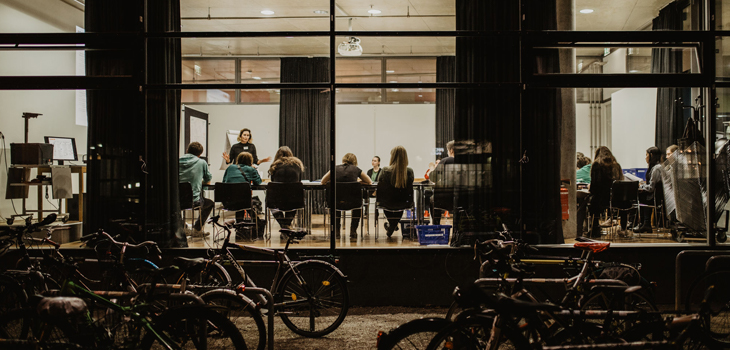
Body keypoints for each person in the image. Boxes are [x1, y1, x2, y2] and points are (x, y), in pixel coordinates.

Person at [321, 153, 372, 239]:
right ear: (354, 161)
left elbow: (323, 181)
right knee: (357, 206)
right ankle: (353, 230)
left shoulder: (335, 168)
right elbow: (369, 181)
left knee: (336, 202)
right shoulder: (356, 169)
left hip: (336, 202)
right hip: (353, 203)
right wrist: (357, 182)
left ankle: (336, 231)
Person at [378, 146, 415, 237]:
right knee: (399, 204)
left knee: (389, 204)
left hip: (386, 202)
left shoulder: (385, 170)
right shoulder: (409, 171)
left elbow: (379, 182)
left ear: (392, 157)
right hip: (404, 202)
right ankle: (392, 225)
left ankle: (392, 225)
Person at [589, 146, 625, 238]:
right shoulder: (617, 165)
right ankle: (624, 229)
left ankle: (595, 229)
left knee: (592, 204)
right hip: (616, 200)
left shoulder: (597, 164)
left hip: (601, 199)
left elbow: (594, 186)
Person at [179, 142, 213, 234]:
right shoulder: (201, 162)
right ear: (200, 154)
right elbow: (208, 180)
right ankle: (197, 229)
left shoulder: (176, 161)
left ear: (187, 151)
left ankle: (181, 226)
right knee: (209, 203)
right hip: (194, 201)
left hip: (176, 199)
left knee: (177, 207)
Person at [268, 146, 305, 228]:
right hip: (293, 198)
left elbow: (273, 181)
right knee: (293, 205)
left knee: (271, 205)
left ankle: (283, 225)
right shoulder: (297, 164)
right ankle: (287, 224)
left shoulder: (274, 165)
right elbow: (298, 180)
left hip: (277, 198)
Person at [223, 152, 262, 225]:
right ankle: (257, 223)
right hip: (243, 201)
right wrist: (254, 170)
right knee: (243, 202)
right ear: (250, 161)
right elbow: (258, 182)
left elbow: (224, 182)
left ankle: (240, 225)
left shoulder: (230, 168)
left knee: (240, 202)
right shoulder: (251, 169)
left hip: (227, 201)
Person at [634, 147, 663, 233]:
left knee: (640, 196)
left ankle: (645, 223)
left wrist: (641, 185)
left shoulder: (657, 168)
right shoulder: (654, 168)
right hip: (652, 196)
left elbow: (651, 188)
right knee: (640, 194)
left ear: (651, 156)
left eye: (646, 155)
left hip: (655, 197)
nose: (645, 157)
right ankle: (643, 223)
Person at [427, 140, 456, 225]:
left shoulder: (446, 160)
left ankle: (436, 226)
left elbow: (433, 178)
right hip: (462, 198)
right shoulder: (466, 161)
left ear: (451, 151)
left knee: (432, 200)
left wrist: (432, 167)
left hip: (445, 198)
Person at [576, 156, 592, 237]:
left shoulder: (577, 173)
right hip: (596, 198)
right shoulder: (592, 169)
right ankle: (589, 228)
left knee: (582, 206)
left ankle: (579, 229)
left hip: (580, 196)